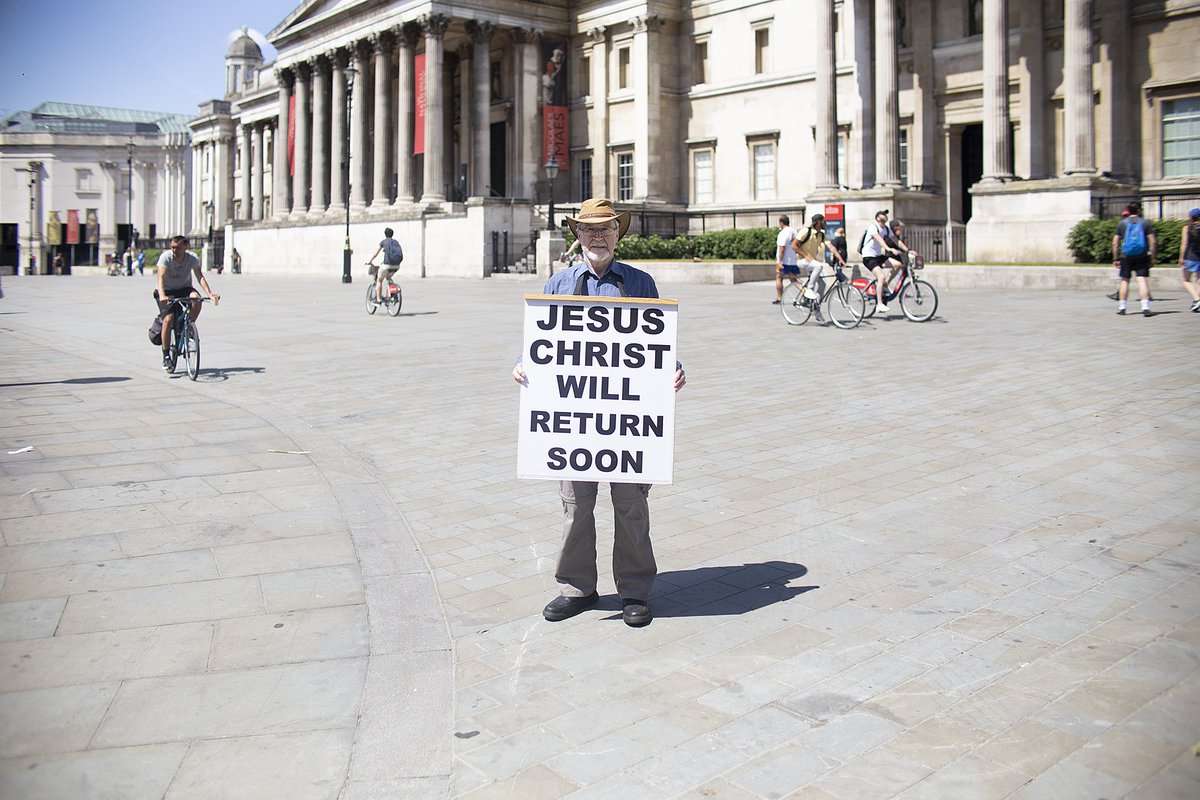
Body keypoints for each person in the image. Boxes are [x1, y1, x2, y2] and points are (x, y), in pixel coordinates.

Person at [512, 197, 686, 628]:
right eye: (589, 230)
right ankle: (577, 588)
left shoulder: (641, 283)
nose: (598, 237)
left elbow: (656, 347)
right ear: (577, 235)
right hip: (576, 418)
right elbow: (545, 343)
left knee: (631, 504)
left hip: (627, 420)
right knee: (575, 504)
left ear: (617, 235)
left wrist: (675, 369)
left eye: (606, 229)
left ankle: (635, 591)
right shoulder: (558, 284)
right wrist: (524, 365)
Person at [156, 235, 219, 371]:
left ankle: (189, 325)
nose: (174, 250)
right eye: (172, 247)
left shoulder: (191, 258)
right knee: (168, 319)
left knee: (196, 298)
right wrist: (162, 295)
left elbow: (199, 277)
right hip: (167, 291)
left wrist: (209, 293)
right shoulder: (165, 257)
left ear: (185, 247)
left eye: (177, 248)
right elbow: (160, 277)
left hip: (184, 288)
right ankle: (166, 356)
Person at [794, 214, 847, 322]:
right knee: (818, 265)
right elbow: (794, 245)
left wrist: (840, 259)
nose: (825, 223)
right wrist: (805, 255)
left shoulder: (821, 235)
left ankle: (815, 309)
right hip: (802, 261)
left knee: (823, 284)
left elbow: (831, 247)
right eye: (824, 221)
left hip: (811, 263)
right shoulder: (806, 231)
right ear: (819, 222)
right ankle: (809, 289)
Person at [1113, 201, 1155, 316]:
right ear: (1139, 210)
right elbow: (1153, 241)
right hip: (1142, 255)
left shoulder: (1122, 223)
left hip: (1126, 255)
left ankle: (1122, 307)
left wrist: (1115, 258)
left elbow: (1115, 242)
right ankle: (1145, 307)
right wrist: (1152, 256)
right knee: (1142, 280)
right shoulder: (1146, 223)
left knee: (1125, 280)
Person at [860, 210, 905, 314]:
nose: (885, 216)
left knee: (898, 265)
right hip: (868, 257)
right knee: (881, 276)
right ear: (877, 218)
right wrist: (888, 248)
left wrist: (908, 250)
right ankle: (879, 304)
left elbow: (897, 241)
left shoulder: (886, 229)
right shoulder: (873, 227)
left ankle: (885, 285)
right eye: (883, 214)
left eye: (886, 214)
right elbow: (879, 239)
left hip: (878, 256)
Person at [367, 227, 403, 304]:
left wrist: (370, 261)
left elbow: (376, 253)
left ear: (385, 234)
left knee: (379, 280)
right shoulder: (396, 242)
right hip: (397, 265)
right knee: (389, 278)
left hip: (387, 265)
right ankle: (394, 294)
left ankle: (378, 299)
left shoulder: (384, 242)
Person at [772, 214, 799, 304]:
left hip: (784, 261)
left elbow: (782, 248)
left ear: (781, 223)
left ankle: (779, 298)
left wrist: (780, 261)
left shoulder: (783, 233)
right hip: (792, 260)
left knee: (779, 277)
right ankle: (805, 293)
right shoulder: (794, 232)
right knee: (794, 280)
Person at [1177, 208, 1200, 312]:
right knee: (1199, 281)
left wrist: (1181, 257)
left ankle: (1197, 299)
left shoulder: (1187, 228)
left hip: (1190, 256)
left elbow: (1184, 244)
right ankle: (1197, 302)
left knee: (1185, 280)